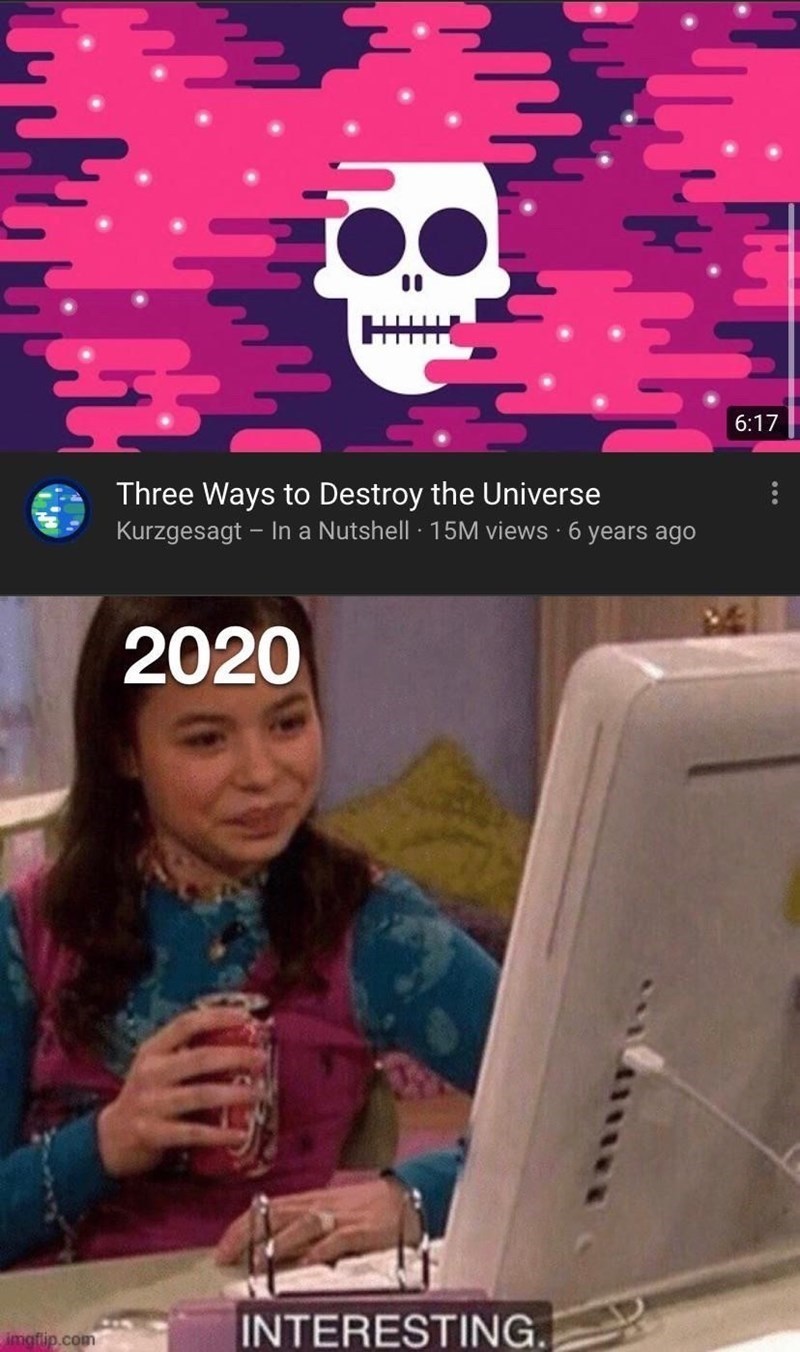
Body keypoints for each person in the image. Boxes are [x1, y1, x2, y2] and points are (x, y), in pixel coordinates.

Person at [0, 597, 499, 1270]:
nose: (262, 774)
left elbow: (590, 1117)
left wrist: (410, 1196)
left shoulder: (371, 926)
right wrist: (105, 1142)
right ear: (125, 748)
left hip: (258, 1309)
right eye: (208, 739)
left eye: (288, 723)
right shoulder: (34, 927)